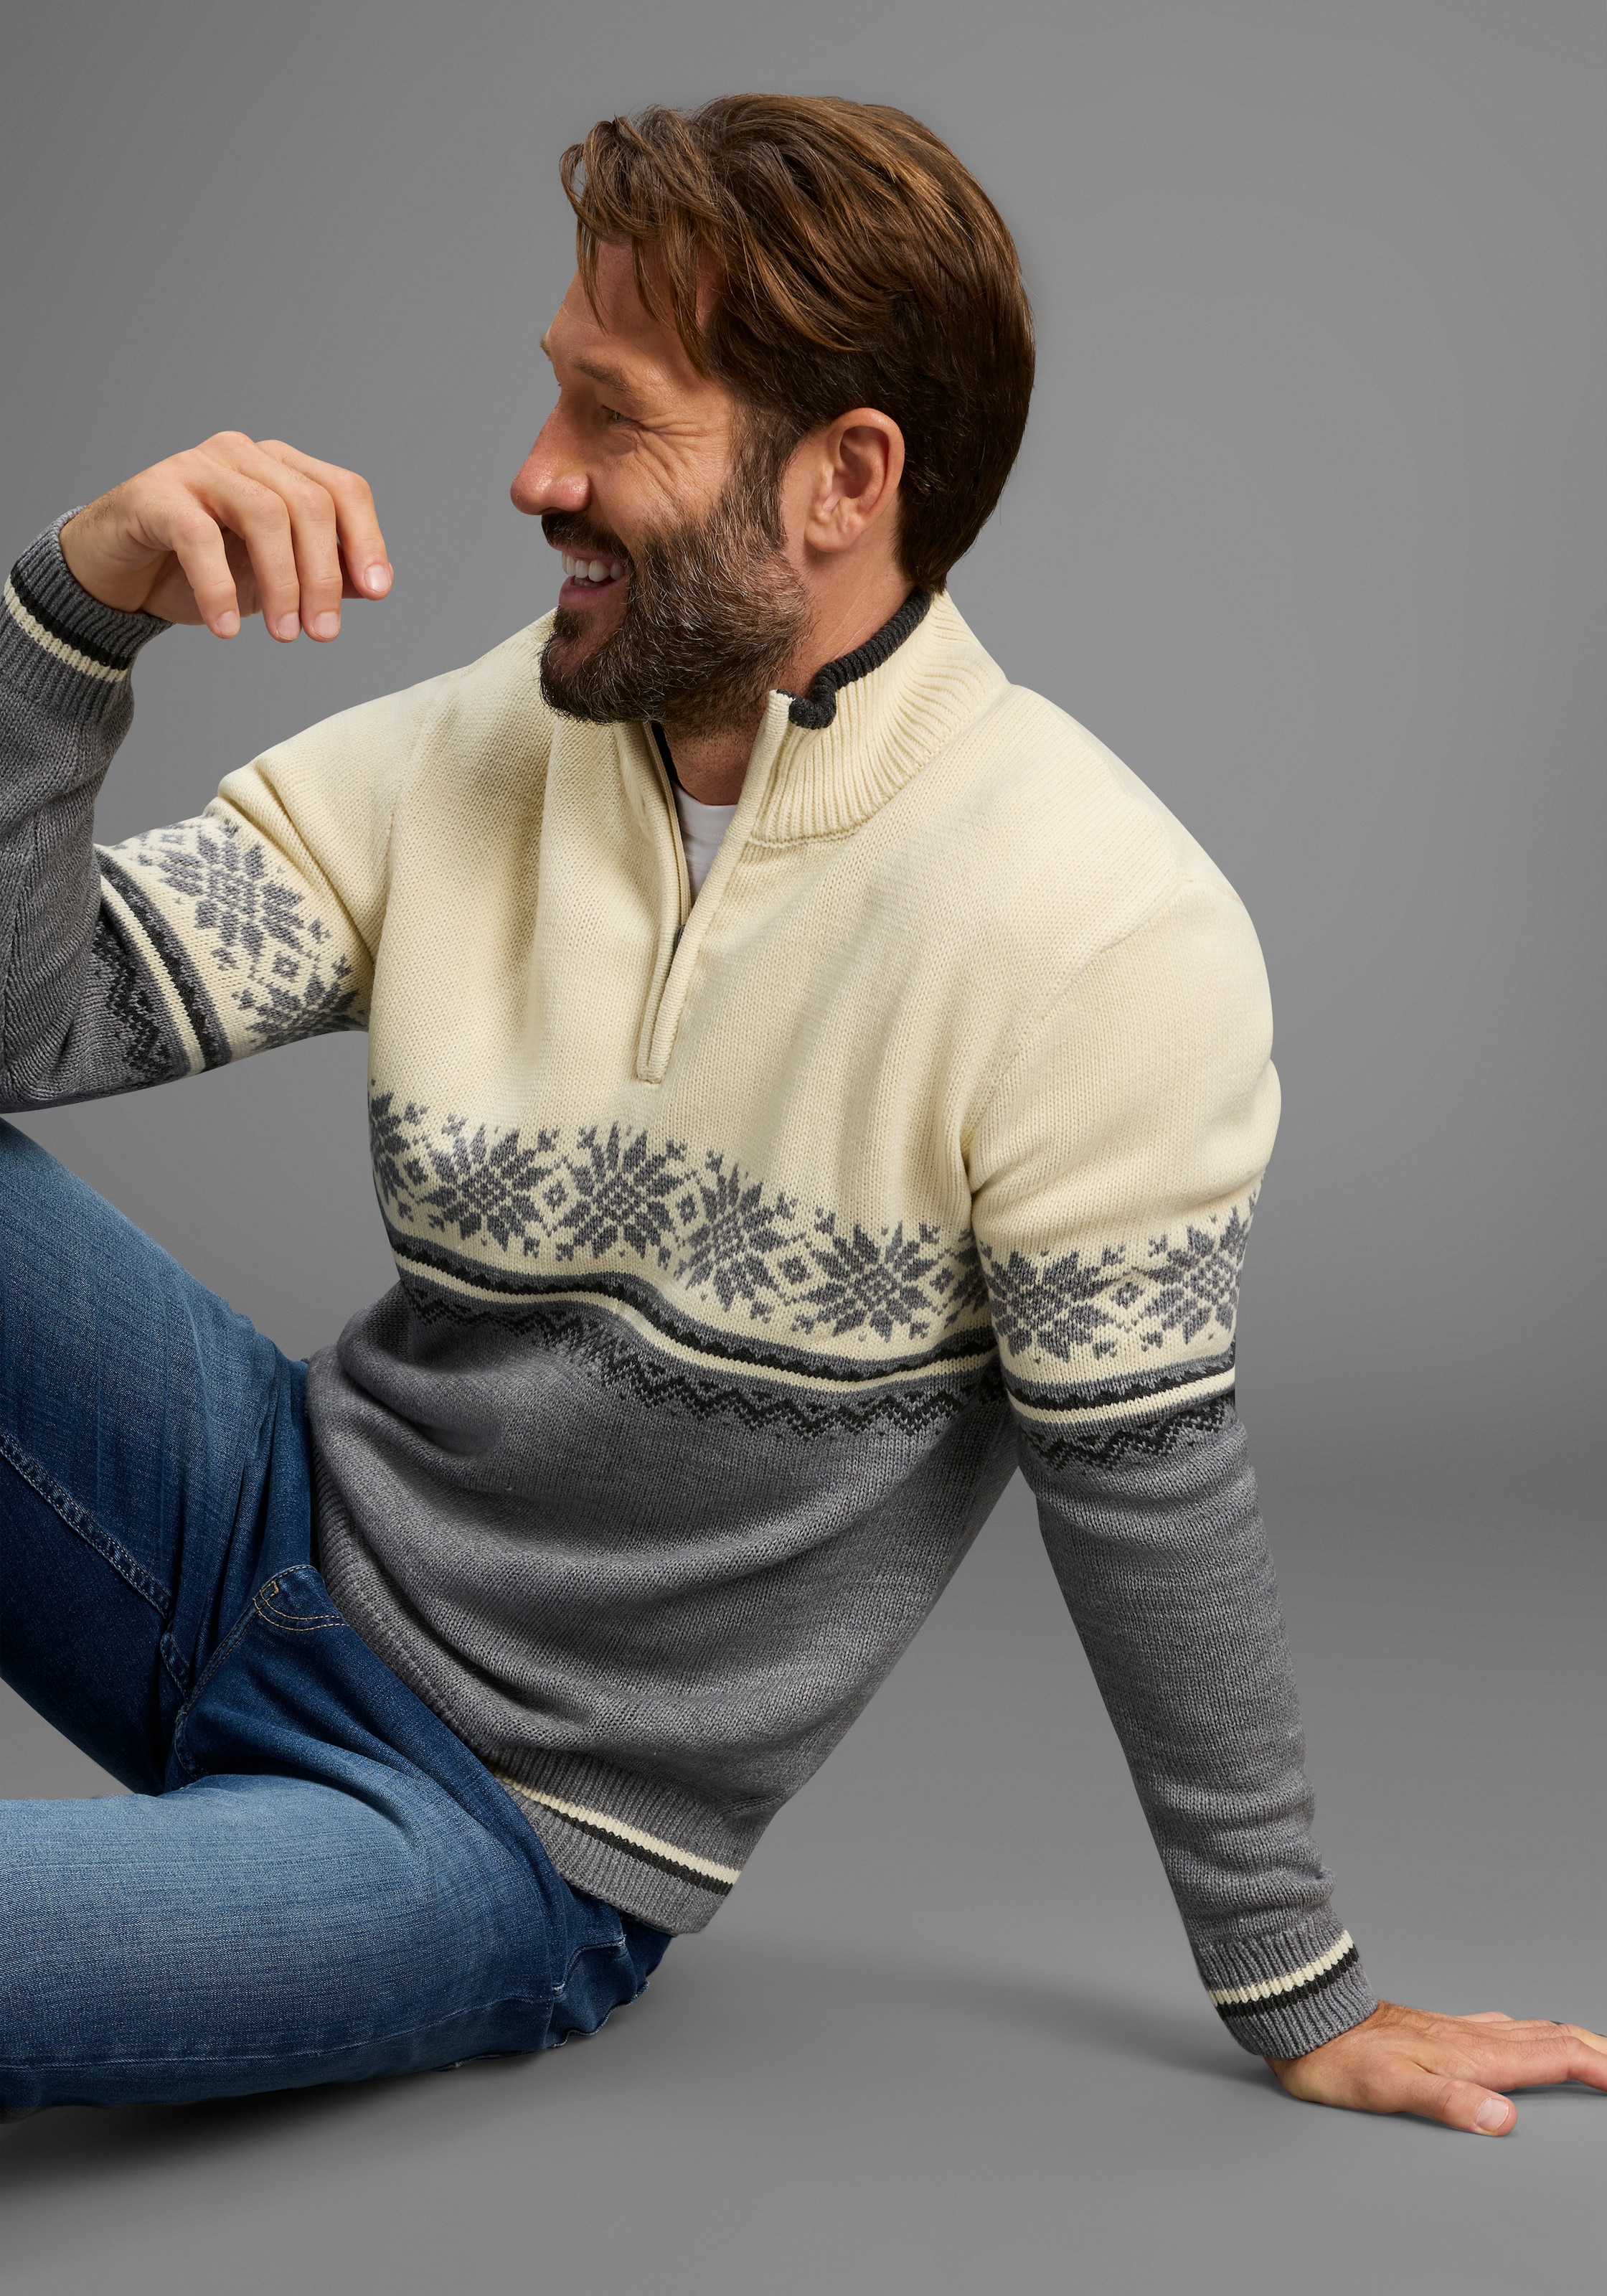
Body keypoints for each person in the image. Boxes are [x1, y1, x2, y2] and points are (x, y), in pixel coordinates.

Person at [1, 94, 1600, 2134]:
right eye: (553, 392)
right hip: (242, 1530)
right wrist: (70, 616)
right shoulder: (485, 740)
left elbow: (1148, 1496)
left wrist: (1297, 1984)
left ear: (846, 479)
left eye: (614, 416)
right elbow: (33, 1025)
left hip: (493, 1823)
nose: (535, 472)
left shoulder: (1098, 931)